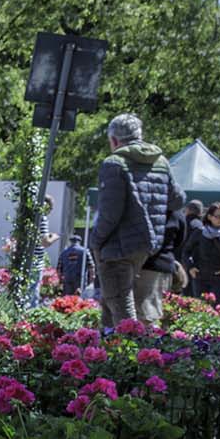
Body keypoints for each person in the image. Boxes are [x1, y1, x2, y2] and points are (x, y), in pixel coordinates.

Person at [89, 112, 180, 326]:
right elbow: (177, 200)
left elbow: (110, 213)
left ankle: (137, 356)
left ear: (113, 140)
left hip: (117, 246)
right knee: (113, 306)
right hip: (147, 245)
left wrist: (95, 241)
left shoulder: (114, 163)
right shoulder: (161, 162)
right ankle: (106, 353)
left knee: (122, 309)